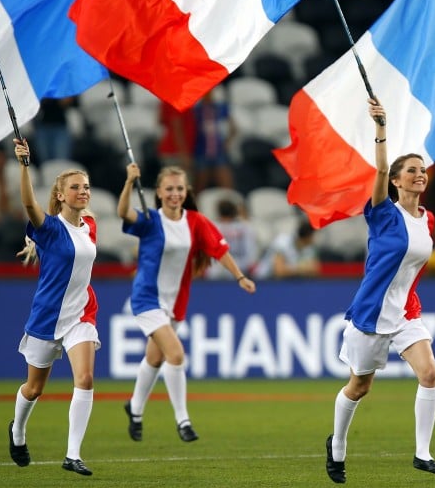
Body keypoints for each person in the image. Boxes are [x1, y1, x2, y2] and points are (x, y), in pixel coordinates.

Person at [326, 99, 435, 485]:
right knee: (359, 387)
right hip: (372, 313)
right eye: (411, 170)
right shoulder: (382, 213)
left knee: (429, 373)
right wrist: (382, 128)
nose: (419, 175)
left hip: (406, 311)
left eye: (422, 170)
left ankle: (423, 454)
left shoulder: (427, 217)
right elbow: (379, 166)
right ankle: (338, 446)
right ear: (395, 180)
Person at [118, 163, 256, 443]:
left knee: (154, 359)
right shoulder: (150, 219)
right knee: (176, 355)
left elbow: (220, 249)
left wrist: (240, 276)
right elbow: (123, 213)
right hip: (147, 298)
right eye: (169, 189)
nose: (174, 194)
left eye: (179, 189)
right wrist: (130, 182)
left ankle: (134, 408)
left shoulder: (195, 221)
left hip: (175, 302)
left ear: (186, 191)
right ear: (158, 192)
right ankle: (183, 420)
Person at [8, 138, 99, 476]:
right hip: (47, 317)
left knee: (86, 378)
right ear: (61, 194)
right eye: (75, 187)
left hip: (81, 315)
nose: (83, 191)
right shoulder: (49, 228)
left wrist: (35, 246)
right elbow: (29, 205)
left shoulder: (91, 226)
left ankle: (72, 455)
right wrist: (24, 165)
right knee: (34, 388)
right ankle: (17, 431)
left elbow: (75, 259)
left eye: (86, 187)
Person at [205, 198, 258, 280]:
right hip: (218, 268)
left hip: (240, 265)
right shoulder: (246, 227)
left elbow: (250, 255)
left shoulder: (244, 228)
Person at [253, 219, 320, 280]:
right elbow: (279, 272)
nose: (314, 239)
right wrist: (302, 269)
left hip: (285, 283)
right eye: (313, 235)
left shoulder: (308, 249)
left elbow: (315, 269)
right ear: (308, 236)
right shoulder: (282, 242)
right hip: (263, 282)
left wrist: (293, 270)